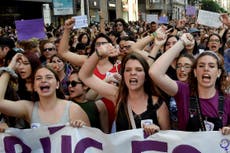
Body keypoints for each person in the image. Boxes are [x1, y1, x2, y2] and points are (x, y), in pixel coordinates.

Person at [79, 43, 170, 135]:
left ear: (146, 76)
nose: (133, 73)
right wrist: (99, 53)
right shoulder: (117, 96)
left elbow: (169, 140)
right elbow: (85, 76)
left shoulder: (159, 104)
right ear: (123, 75)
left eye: (138, 70)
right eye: (128, 70)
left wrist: (158, 132)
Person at [149, 33, 230, 134]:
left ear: (218, 73)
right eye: (201, 65)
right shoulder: (183, 91)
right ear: (195, 72)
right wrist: (181, 42)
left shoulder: (227, 100)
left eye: (211, 66)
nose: (206, 69)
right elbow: (155, 72)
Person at [0, 53, 90, 129]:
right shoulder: (29, 108)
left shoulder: (73, 109)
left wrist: (80, 128)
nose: (43, 80)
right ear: (34, 87)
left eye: (49, 77)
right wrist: (10, 67)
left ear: (57, 84)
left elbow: (90, 144)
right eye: (38, 78)